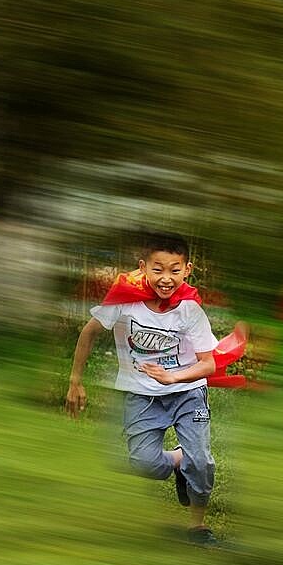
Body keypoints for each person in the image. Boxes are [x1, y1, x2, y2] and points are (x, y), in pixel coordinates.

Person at [66, 232, 220, 547]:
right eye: (158, 269)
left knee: (201, 461)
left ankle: (198, 525)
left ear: (187, 269)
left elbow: (208, 364)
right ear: (143, 267)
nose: (166, 278)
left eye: (175, 270)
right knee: (144, 463)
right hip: (142, 396)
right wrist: (75, 381)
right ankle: (178, 460)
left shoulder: (190, 310)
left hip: (188, 393)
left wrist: (173, 378)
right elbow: (89, 332)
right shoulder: (125, 301)